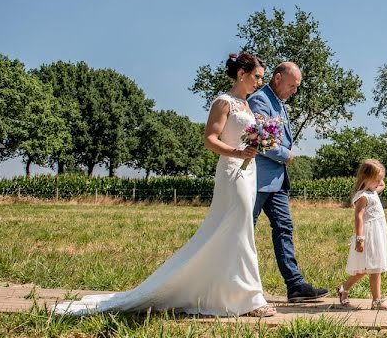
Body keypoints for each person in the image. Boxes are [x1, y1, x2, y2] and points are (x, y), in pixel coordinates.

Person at [55, 53, 276, 317]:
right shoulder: (224, 102)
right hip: (232, 171)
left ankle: (227, 293)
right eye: (257, 76)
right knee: (240, 229)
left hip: (248, 171)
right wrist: (237, 153)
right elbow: (209, 139)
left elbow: (246, 135)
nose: (259, 82)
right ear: (242, 73)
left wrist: (259, 143)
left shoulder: (247, 105)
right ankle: (250, 298)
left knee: (233, 231)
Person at [249, 62, 328, 302]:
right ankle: (238, 284)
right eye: (292, 85)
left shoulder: (280, 104)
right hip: (259, 181)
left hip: (278, 182)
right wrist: (286, 154)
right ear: (278, 77)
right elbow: (261, 139)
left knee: (284, 229)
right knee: (244, 233)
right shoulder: (259, 100)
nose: (295, 90)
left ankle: (295, 285)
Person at [335, 159, 387, 311]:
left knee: (366, 268)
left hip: (378, 232)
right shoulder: (363, 196)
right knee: (374, 267)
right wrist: (359, 238)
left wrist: (378, 174)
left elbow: (383, 185)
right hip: (369, 234)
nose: (380, 183)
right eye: (376, 180)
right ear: (366, 178)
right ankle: (377, 301)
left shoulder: (372, 190)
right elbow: (359, 216)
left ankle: (344, 287)